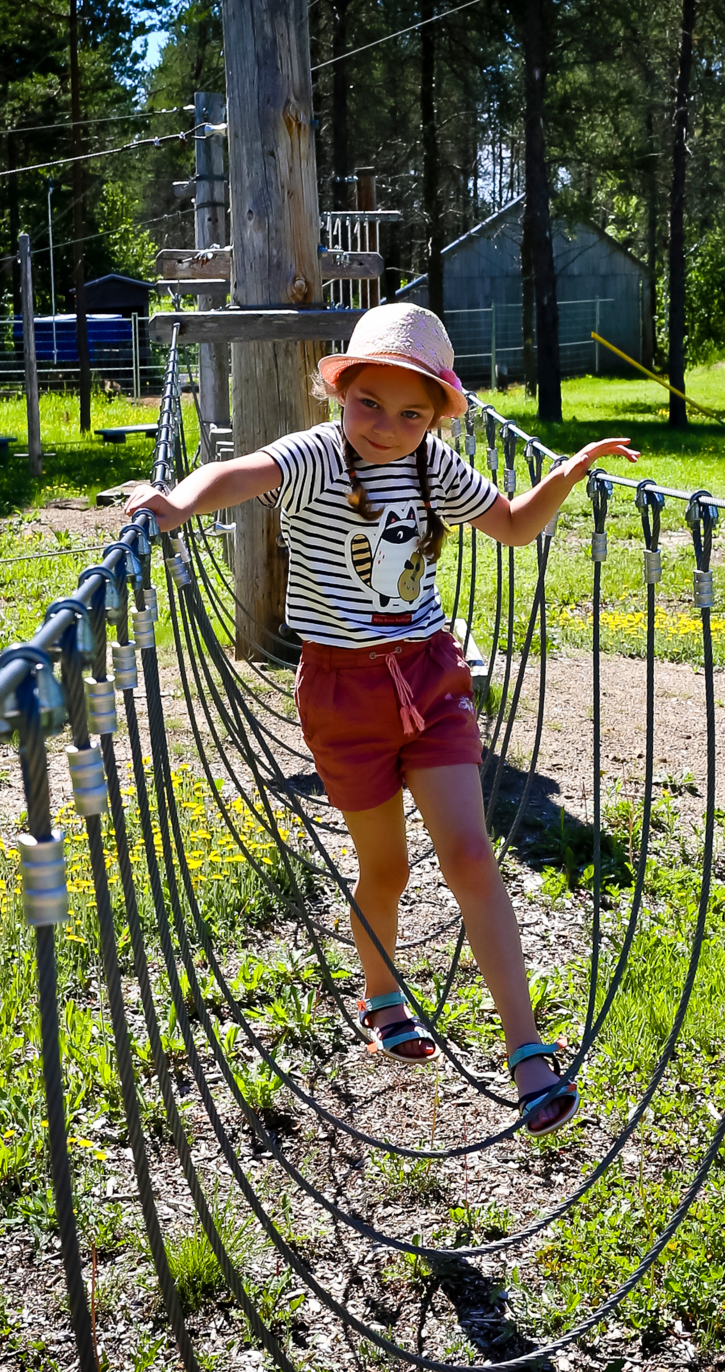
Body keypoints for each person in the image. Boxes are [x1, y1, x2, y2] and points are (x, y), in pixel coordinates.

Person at [126, 302, 637, 1136]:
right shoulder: (317, 457)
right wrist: (178, 503)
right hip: (343, 693)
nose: (388, 427)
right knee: (387, 868)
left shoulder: (434, 467)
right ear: (341, 392)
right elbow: (240, 475)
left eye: (411, 413)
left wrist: (568, 474)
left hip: (431, 678)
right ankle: (382, 992)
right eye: (371, 403)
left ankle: (528, 1053)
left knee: (471, 853)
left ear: (435, 415)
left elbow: (509, 526)